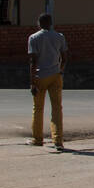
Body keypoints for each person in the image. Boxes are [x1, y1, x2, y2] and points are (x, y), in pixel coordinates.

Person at [27, 13, 68, 152]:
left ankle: (38, 139)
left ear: (39, 23)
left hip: (40, 76)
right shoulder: (60, 37)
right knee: (57, 108)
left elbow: (33, 61)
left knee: (38, 109)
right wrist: (60, 70)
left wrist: (32, 82)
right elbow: (65, 57)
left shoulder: (33, 38)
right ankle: (58, 141)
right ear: (51, 24)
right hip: (55, 76)